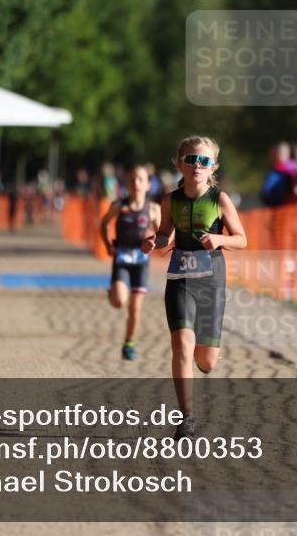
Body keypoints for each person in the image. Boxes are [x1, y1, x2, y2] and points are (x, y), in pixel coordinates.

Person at [142, 135, 247, 439]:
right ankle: (186, 417)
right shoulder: (170, 200)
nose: (197, 166)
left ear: (213, 166)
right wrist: (154, 241)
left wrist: (220, 239)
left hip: (211, 280)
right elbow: (165, 233)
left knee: (206, 361)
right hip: (180, 279)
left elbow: (242, 239)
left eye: (204, 161)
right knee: (181, 344)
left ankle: (206, 358)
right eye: (191, 160)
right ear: (180, 164)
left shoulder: (219, 199)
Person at [99, 165, 161, 361]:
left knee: (135, 308)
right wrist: (108, 245)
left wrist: (154, 242)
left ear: (148, 184)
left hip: (141, 262)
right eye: (132, 179)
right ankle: (114, 293)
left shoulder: (153, 209)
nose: (136, 183)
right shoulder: (119, 205)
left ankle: (129, 344)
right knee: (119, 301)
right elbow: (104, 223)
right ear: (127, 183)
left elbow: (164, 235)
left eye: (141, 179)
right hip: (122, 259)